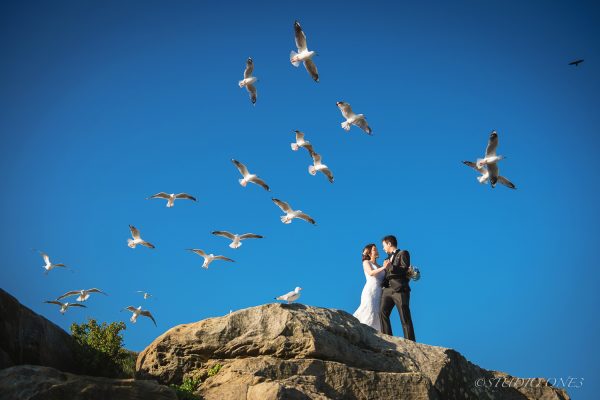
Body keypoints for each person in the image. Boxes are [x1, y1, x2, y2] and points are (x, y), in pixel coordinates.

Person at [379, 235, 416, 341]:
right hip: (387, 289)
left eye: (384, 246)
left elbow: (404, 269)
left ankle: (410, 341)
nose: (383, 248)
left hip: (400, 288)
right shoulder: (386, 259)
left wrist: (390, 267)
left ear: (389, 244)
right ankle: (388, 339)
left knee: (404, 315)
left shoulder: (403, 253)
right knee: (382, 312)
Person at [352, 243, 387, 331]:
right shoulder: (366, 262)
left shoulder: (380, 266)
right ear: (369, 253)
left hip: (379, 292)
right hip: (370, 290)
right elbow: (371, 273)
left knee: (377, 312)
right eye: (374, 249)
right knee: (369, 308)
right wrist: (384, 267)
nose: (377, 251)